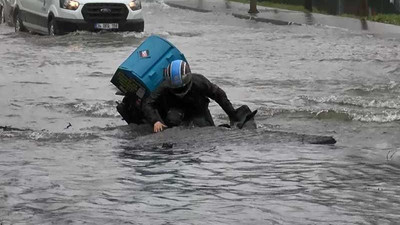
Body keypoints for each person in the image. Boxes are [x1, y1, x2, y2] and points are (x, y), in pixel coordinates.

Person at [142, 60, 239, 133]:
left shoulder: (199, 81)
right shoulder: (164, 86)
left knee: (205, 127)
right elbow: (148, 103)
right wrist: (155, 121)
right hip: (176, 111)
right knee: (172, 120)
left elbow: (219, 95)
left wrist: (232, 115)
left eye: (181, 86)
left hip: (198, 110)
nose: (179, 89)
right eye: (175, 86)